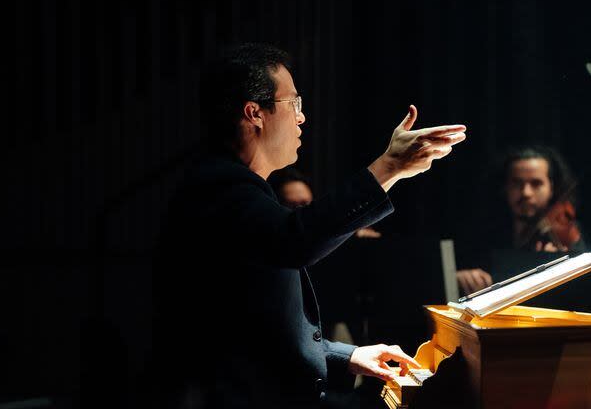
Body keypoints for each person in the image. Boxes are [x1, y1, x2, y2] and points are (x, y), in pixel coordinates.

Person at [156, 43, 466, 408]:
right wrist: (388, 168)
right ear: (254, 113)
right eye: (294, 104)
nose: (302, 118)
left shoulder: (236, 187)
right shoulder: (218, 187)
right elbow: (294, 241)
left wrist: (344, 355)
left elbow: (254, 325)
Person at [456, 145, 586, 295]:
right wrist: (458, 277)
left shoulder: (567, 232)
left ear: (552, 187)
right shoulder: (482, 230)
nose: (526, 192)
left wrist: (560, 265)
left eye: (536, 183)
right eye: (517, 183)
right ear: (505, 187)